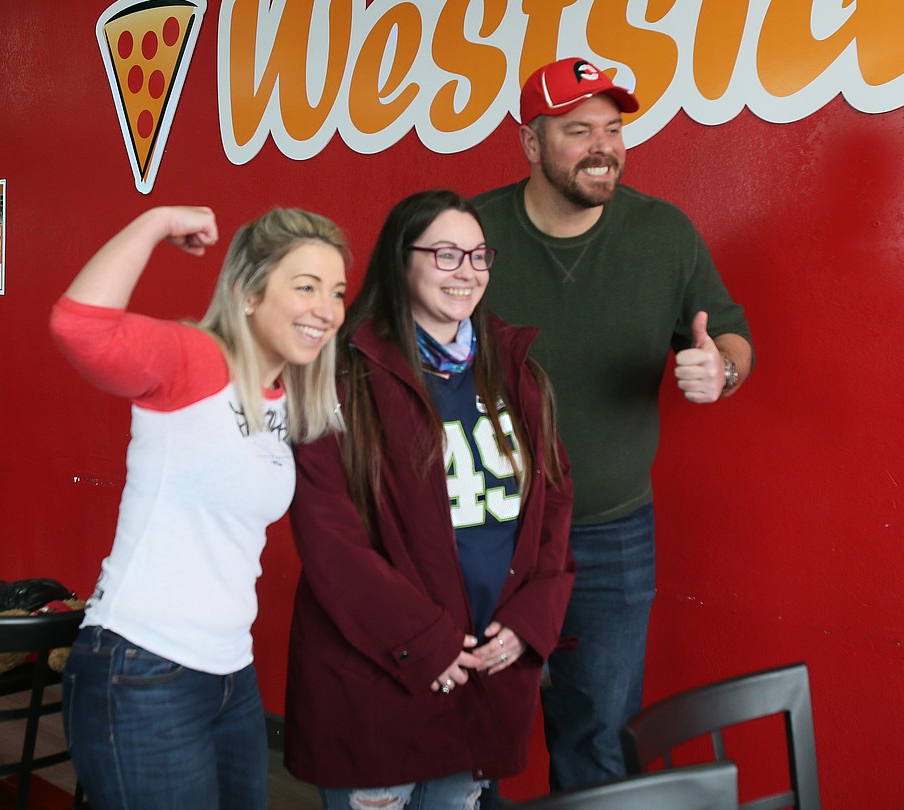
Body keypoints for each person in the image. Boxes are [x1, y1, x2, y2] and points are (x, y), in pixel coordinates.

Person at [472, 57, 755, 791]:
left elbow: (728, 333)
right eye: (577, 130)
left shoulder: (664, 233)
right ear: (532, 145)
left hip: (611, 532)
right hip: (484, 528)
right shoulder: (469, 235)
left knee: (597, 735)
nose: (603, 146)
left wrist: (718, 370)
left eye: (613, 127)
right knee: (472, 728)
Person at [49, 205, 349, 810]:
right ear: (249, 293)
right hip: (142, 668)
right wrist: (156, 222)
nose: (327, 308)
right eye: (306, 287)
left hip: (228, 673)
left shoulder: (288, 398)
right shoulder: (194, 358)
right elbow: (78, 325)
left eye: (338, 292)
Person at [283, 190, 575, 809]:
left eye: (477, 255)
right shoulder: (340, 376)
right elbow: (329, 538)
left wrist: (529, 623)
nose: (466, 270)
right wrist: (425, 640)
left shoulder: (515, 370)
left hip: (481, 676)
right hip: (383, 682)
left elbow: (552, 509)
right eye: (445, 254)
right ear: (401, 261)